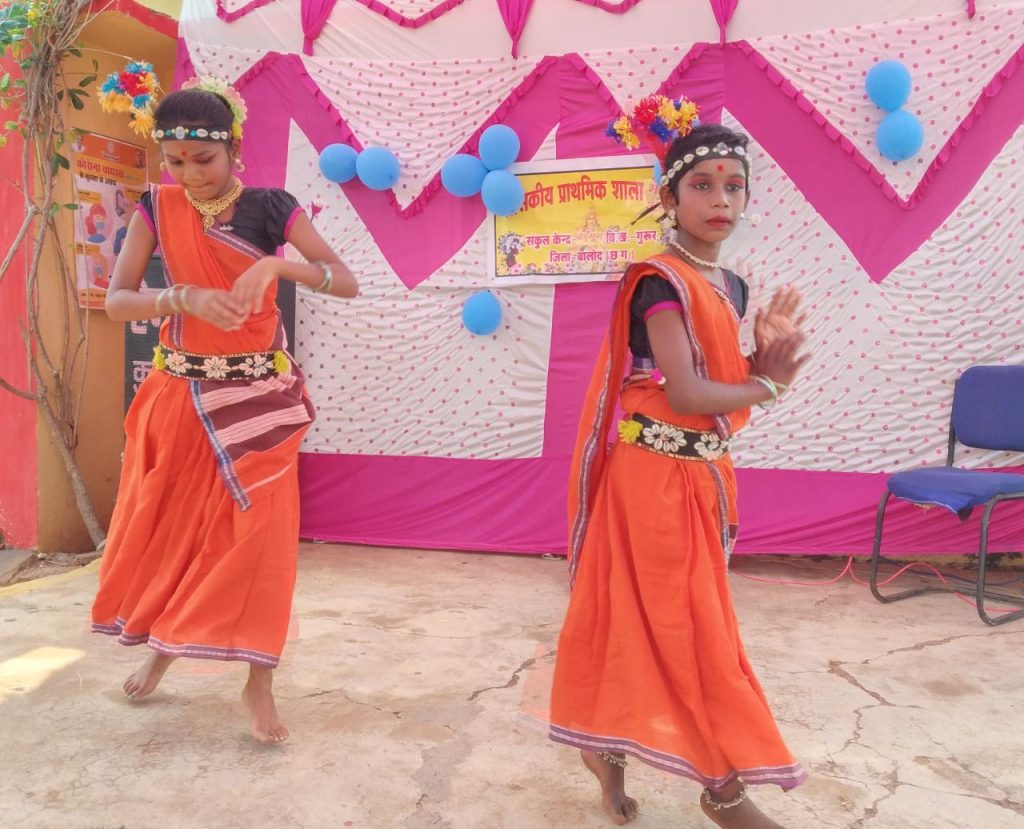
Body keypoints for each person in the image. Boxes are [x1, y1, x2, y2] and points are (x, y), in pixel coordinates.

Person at [549, 121, 809, 828]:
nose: (721, 199)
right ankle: (722, 791)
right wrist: (769, 384)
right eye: (702, 184)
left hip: (698, 478)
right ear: (670, 196)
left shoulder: (732, 285)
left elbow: (717, 383)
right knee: (681, 630)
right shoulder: (658, 282)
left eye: (734, 186)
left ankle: (607, 748)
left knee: (664, 624)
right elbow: (689, 393)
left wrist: (758, 364)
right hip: (650, 482)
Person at [91, 80, 357, 744]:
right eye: (174, 161)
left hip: (258, 402)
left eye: (202, 160)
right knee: (180, 536)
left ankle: (258, 681)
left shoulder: (271, 208)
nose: (189, 175)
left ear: (234, 149)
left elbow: (345, 281)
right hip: (181, 399)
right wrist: (178, 297)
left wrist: (276, 270)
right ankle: (163, 648)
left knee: (260, 542)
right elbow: (117, 301)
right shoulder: (156, 207)